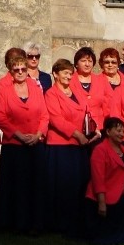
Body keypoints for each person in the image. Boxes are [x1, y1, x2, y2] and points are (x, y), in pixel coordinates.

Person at [0, 55, 49, 234]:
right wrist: (18, 135)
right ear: (10, 71)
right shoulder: (5, 90)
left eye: (23, 69)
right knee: (16, 186)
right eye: (16, 69)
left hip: (35, 143)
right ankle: (15, 224)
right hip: (14, 145)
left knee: (36, 185)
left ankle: (35, 224)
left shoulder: (36, 87)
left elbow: (44, 115)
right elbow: (1, 117)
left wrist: (38, 135)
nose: (20, 72)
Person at [46, 59, 101, 234]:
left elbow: (87, 112)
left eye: (70, 73)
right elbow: (56, 119)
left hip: (80, 146)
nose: (69, 76)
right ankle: (61, 224)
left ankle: (77, 221)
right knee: (63, 186)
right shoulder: (51, 94)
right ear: (55, 74)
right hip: (61, 146)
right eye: (65, 73)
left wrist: (94, 128)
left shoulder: (76, 90)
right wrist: (77, 134)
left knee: (79, 184)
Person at [84, 117, 124, 245]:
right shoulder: (100, 150)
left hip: (119, 194)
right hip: (100, 197)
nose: (121, 134)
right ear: (108, 132)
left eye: (123, 131)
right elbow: (98, 178)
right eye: (118, 130)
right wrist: (101, 203)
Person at [70, 47, 112, 131]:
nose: (87, 64)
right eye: (83, 61)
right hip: (76, 128)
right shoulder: (69, 80)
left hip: (100, 127)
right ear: (76, 64)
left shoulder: (101, 80)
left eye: (90, 61)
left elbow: (109, 103)